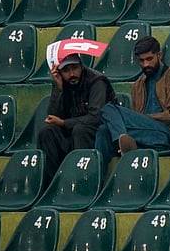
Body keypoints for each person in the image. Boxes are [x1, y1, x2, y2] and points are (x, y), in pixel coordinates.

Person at [94, 36, 170, 162]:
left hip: (167, 134)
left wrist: (145, 118)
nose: (145, 64)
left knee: (108, 108)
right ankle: (97, 177)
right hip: (144, 134)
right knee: (103, 131)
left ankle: (120, 139)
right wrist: (139, 120)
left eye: (149, 59)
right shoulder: (138, 84)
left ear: (159, 55)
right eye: (141, 61)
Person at [36, 54, 117, 183]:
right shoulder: (62, 82)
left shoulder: (96, 81)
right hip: (73, 131)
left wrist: (64, 123)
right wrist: (59, 89)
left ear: (81, 65)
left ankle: (83, 181)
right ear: (59, 72)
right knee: (46, 133)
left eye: (75, 68)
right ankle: (53, 186)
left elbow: (96, 117)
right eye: (66, 71)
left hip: (100, 132)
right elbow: (52, 116)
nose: (71, 74)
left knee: (80, 130)